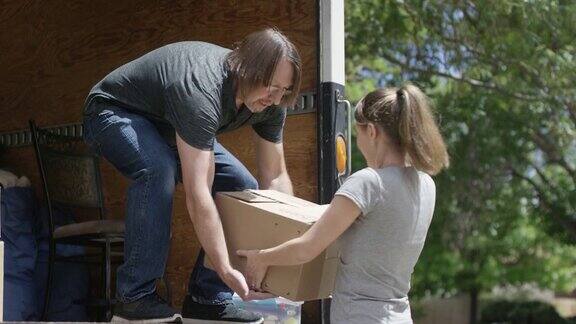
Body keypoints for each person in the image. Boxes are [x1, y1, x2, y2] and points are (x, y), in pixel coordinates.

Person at [82, 28, 301, 323]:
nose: (275, 99)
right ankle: (134, 298)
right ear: (247, 69)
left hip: (168, 126)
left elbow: (275, 176)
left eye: (284, 91)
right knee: (158, 170)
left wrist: (287, 245)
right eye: (272, 88)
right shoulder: (201, 89)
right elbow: (199, 195)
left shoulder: (271, 105)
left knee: (241, 187)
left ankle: (207, 299)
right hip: (110, 111)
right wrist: (226, 268)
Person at [238, 84, 450, 324]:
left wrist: (261, 257)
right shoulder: (425, 185)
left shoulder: (369, 182)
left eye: (357, 134)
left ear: (371, 131)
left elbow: (307, 248)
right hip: (399, 316)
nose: (357, 142)